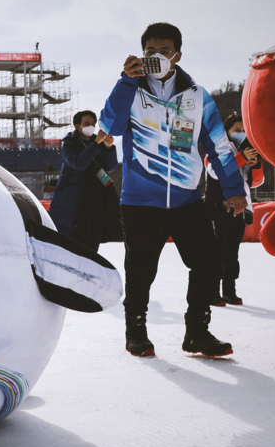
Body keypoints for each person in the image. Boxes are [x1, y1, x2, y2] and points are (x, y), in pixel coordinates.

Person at [98, 22, 248, 358]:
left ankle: (197, 332)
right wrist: (126, 81)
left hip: (186, 200)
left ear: (177, 55)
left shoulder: (197, 97)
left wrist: (233, 189)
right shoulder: (131, 91)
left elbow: (220, 147)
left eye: (164, 52)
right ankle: (136, 331)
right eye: (150, 51)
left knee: (208, 263)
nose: (157, 58)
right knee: (140, 270)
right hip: (140, 201)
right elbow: (109, 126)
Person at [205, 114, 264, 306]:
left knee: (232, 252)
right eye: (237, 130)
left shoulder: (245, 148)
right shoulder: (216, 147)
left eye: (244, 131)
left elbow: (255, 183)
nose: (241, 134)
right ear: (227, 131)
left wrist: (256, 165)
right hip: (218, 207)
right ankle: (212, 292)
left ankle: (229, 291)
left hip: (239, 208)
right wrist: (241, 158)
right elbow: (215, 171)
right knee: (216, 251)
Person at [48, 110, 121, 251]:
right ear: (77, 126)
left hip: (96, 202)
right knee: (73, 241)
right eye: (86, 123)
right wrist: (97, 143)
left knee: (92, 242)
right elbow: (79, 163)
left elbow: (111, 166)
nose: (91, 127)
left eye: (93, 124)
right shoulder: (69, 144)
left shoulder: (97, 143)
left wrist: (109, 147)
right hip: (74, 202)